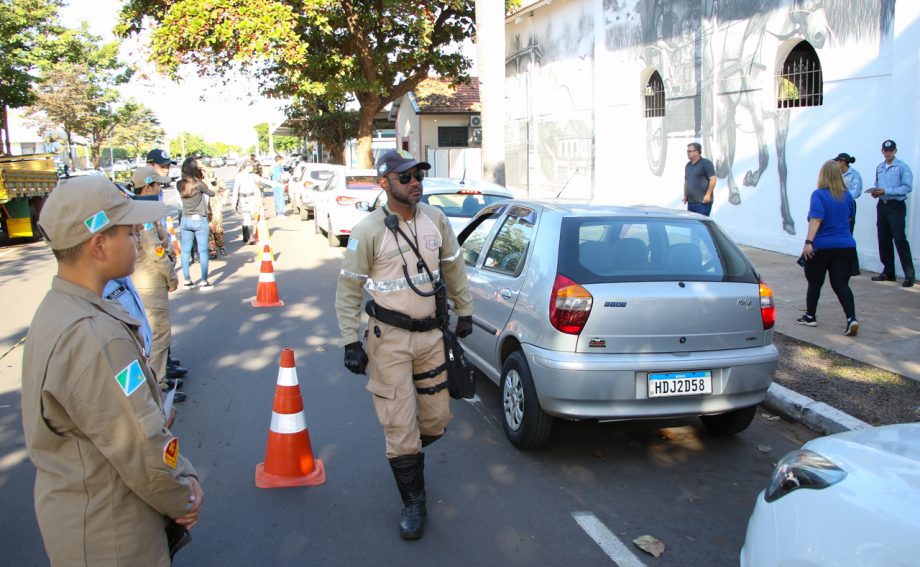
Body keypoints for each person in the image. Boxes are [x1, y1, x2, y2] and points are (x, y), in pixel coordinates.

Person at [21, 175, 203, 565]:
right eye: (129, 231)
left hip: (83, 517)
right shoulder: (95, 335)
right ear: (98, 244)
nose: (137, 239)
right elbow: (140, 440)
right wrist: (182, 493)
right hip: (113, 532)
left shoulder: (60, 309)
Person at [334, 149, 474, 540]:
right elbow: (348, 290)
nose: (415, 182)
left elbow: (453, 266)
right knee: (400, 426)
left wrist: (464, 310)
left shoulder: (437, 220)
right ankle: (414, 501)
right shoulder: (368, 231)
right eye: (405, 177)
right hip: (388, 340)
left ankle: (407, 448)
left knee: (437, 419)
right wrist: (350, 340)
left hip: (432, 337)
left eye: (418, 175)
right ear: (385, 183)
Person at [130, 166, 189, 402]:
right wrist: (171, 275)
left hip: (146, 281)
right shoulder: (143, 213)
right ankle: (160, 386)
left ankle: (162, 374)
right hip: (150, 282)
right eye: (157, 185)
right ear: (147, 187)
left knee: (154, 335)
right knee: (158, 335)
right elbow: (155, 251)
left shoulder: (140, 210)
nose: (160, 189)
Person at [798, 160, 859, 336]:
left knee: (815, 282)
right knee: (841, 284)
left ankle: (810, 317)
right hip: (846, 245)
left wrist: (808, 242)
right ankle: (851, 318)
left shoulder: (818, 195)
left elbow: (816, 219)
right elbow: (848, 219)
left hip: (822, 245)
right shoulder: (847, 196)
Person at [869, 139, 915, 287]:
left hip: (896, 205)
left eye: (890, 150)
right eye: (885, 150)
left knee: (900, 239)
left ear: (895, 151)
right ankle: (888, 271)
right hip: (882, 205)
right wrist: (876, 192)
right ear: (882, 151)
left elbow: (907, 187)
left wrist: (887, 191)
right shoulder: (880, 167)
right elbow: (878, 184)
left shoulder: (902, 167)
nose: (888, 153)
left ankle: (909, 274)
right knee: (883, 238)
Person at [178, 157, 215, 289]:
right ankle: (204, 281)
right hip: (199, 219)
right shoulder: (199, 185)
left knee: (185, 251)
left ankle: (187, 280)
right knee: (203, 251)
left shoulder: (179, 184)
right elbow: (212, 193)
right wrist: (204, 177)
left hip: (185, 220)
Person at [833, 152, 863, 276]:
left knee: (847, 235)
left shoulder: (854, 175)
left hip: (847, 206)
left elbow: (855, 192)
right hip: (835, 205)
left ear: (843, 162)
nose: (836, 164)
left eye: (837, 161)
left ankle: (853, 267)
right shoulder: (836, 174)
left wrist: (841, 197)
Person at [232, 163, 264, 244]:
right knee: (247, 217)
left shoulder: (253, 176)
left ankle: (246, 236)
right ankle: (250, 237)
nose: (252, 168)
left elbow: (262, 182)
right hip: (244, 198)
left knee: (250, 216)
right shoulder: (239, 176)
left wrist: (276, 185)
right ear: (245, 167)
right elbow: (235, 189)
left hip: (252, 198)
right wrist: (234, 201)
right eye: (250, 166)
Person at [683, 142, 717, 216]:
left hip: (702, 203)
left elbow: (713, 179)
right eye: (687, 151)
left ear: (697, 152)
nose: (687, 153)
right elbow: (686, 181)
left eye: (689, 151)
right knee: (692, 224)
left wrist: (708, 195)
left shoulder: (706, 163)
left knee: (701, 225)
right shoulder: (688, 166)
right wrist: (685, 195)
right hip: (691, 203)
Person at [203, 165, 228, 257]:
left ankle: (221, 245)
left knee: (218, 228)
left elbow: (224, 190)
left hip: (216, 207)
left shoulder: (218, 182)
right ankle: (212, 249)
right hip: (205, 209)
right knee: (208, 229)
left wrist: (223, 200)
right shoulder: (202, 182)